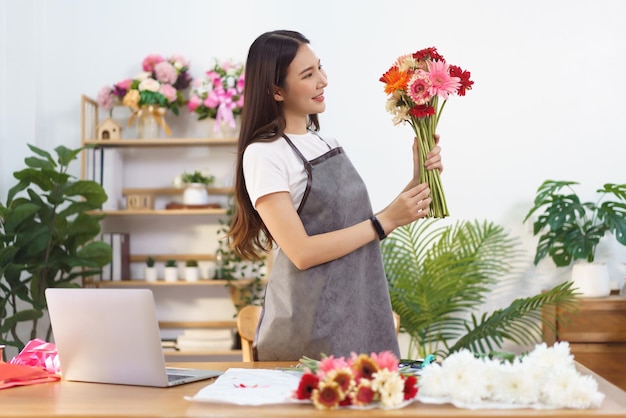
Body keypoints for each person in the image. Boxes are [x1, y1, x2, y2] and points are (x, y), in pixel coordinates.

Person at [228, 30, 443, 361]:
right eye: (308, 74)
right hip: (310, 332)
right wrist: (385, 221)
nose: (323, 81)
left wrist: (419, 175)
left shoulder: (325, 142)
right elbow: (301, 252)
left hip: (358, 314)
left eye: (320, 68)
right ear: (276, 90)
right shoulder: (264, 153)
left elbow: (359, 228)